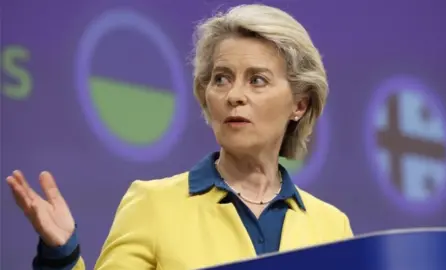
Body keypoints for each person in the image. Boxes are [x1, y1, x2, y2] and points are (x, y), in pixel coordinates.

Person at [6, 4, 353, 270]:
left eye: (257, 80)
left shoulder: (332, 227)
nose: (234, 95)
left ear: (299, 104)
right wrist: (63, 256)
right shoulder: (151, 205)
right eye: (221, 78)